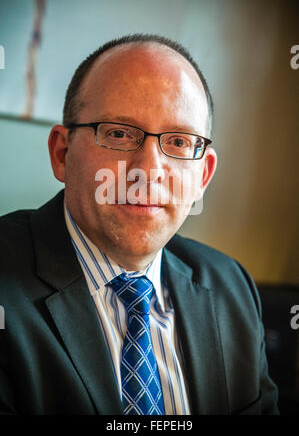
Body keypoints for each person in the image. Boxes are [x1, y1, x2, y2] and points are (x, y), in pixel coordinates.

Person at [0, 34, 278, 415]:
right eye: (118, 133)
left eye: (179, 141)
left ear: (203, 176)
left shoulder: (232, 288)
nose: (148, 172)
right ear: (62, 153)